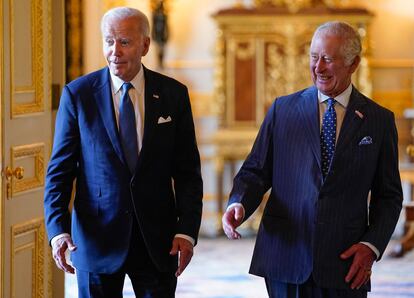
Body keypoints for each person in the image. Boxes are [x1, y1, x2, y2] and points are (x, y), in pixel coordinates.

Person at [222, 21, 402, 298]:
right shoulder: (283, 110)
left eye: (328, 60)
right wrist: (239, 203)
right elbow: (255, 170)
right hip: (285, 254)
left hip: (346, 261)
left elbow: (388, 195)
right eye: (314, 57)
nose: (318, 68)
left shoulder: (379, 120)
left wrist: (372, 245)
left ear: (353, 64)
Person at [44, 7, 202, 298]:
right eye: (108, 41)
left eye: (124, 42)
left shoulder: (173, 94)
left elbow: (188, 172)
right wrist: (58, 231)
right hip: (95, 241)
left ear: (145, 45)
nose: (114, 51)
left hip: (157, 241)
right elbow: (60, 172)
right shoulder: (78, 95)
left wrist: (186, 231)